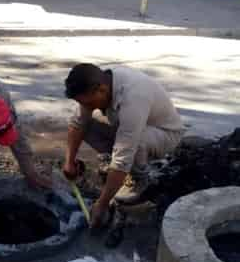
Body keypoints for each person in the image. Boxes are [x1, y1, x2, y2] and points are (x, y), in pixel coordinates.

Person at [63, 63, 183, 228]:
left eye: (88, 103)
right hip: (135, 128)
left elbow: (123, 156)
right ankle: (120, 167)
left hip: (165, 134)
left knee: (135, 143)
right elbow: (77, 124)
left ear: (102, 90)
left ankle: (140, 179)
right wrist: (69, 162)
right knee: (88, 124)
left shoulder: (134, 96)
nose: (86, 107)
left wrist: (102, 204)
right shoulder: (100, 84)